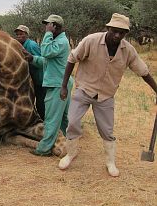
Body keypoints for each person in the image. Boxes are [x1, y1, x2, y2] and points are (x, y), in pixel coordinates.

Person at [58, 13, 157, 177]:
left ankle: (110, 162)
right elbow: (72, 58)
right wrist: (63, 86)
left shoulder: (128, 50)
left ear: (125, 33)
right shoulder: (91, 41)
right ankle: (71, 154)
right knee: (73, 122)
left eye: (122, 32)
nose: (117, 35)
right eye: (115, 31)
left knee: (107, 130)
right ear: (108, 28)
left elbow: (143, 71)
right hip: (84, 89)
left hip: (106, 95)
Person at [24, 15, 73, 156]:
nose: (46, 27)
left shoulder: (61, 41)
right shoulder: (58, 41)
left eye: (48, 25)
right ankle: (68, 142)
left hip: (58, 85)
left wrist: (47, 34)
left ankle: (43, 149)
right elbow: (47, 61)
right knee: (64, 118)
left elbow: (46, 52)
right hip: (61, 83)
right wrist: (32, 58)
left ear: (54, 26)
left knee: (51, 118)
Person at [14, 25, 46, 120]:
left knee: (41, 102)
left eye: (21, 34)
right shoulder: (20, 45)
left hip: (40, 79)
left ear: (27, 34)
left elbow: (41, 62)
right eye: (17, 34)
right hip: (31, 79)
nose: (19, 36)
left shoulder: (32, 45)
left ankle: (44, 121)